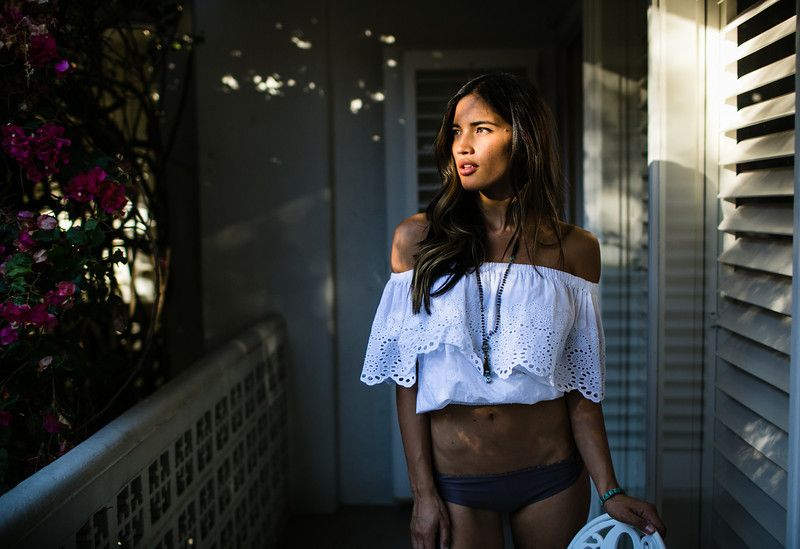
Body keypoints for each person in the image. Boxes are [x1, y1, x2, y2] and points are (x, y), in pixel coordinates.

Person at [360, 72, 665, 549]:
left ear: (523, 137)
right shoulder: (417, 241)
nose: (462, 146)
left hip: (551, 478)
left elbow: (581, 389)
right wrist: (423, 495)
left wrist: (609, 489)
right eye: (456, 131)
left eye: (481, 129)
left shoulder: (575, 249)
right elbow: (408, 382)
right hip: (457, 485)